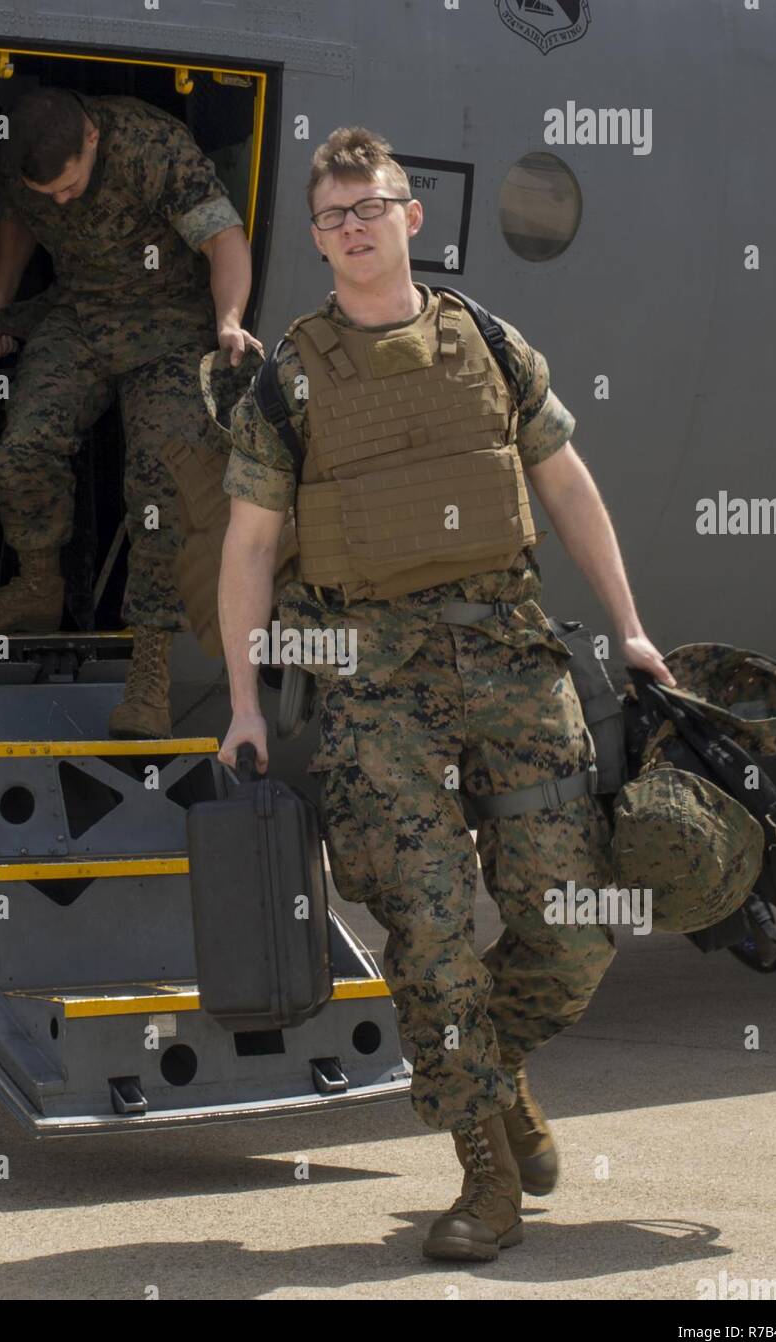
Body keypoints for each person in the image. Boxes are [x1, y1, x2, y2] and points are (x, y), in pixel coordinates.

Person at [216, 127, 676, 1262]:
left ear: (410, 215)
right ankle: (483, 1170)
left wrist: (628, 629)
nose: (352, 228)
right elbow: (245, 548)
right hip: (373, 686)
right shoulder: (287, 382)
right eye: (330, 216)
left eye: (369, 207)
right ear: (317, 235)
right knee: (427, 930)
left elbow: (565, 486)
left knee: (576, 920)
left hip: (512, 661)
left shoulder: (490, 344)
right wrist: (241, 700)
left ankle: (497, 1068)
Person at [0, 86, 261, 737]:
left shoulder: (150, 146)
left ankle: (148, 675)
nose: (63, 200)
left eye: (70, 186)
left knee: (159, 488)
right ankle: (39, 588)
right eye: (52, 192)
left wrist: (229, 321)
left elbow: (224, 238)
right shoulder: (24, 158)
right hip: (81, 313)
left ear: (91, 138)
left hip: (170, 321)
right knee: (24, 448)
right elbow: (16, 219)